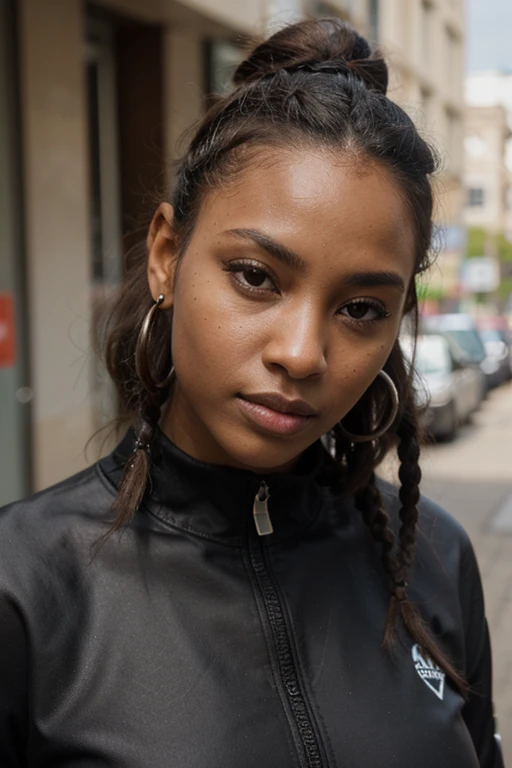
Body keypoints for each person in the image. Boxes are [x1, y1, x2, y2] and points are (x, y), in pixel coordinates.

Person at [0, 17, 505, 768]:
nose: (301, 354)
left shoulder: (431, 558)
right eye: (257, 278)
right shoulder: (24, 587)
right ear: (168, 255)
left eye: (361, 309)